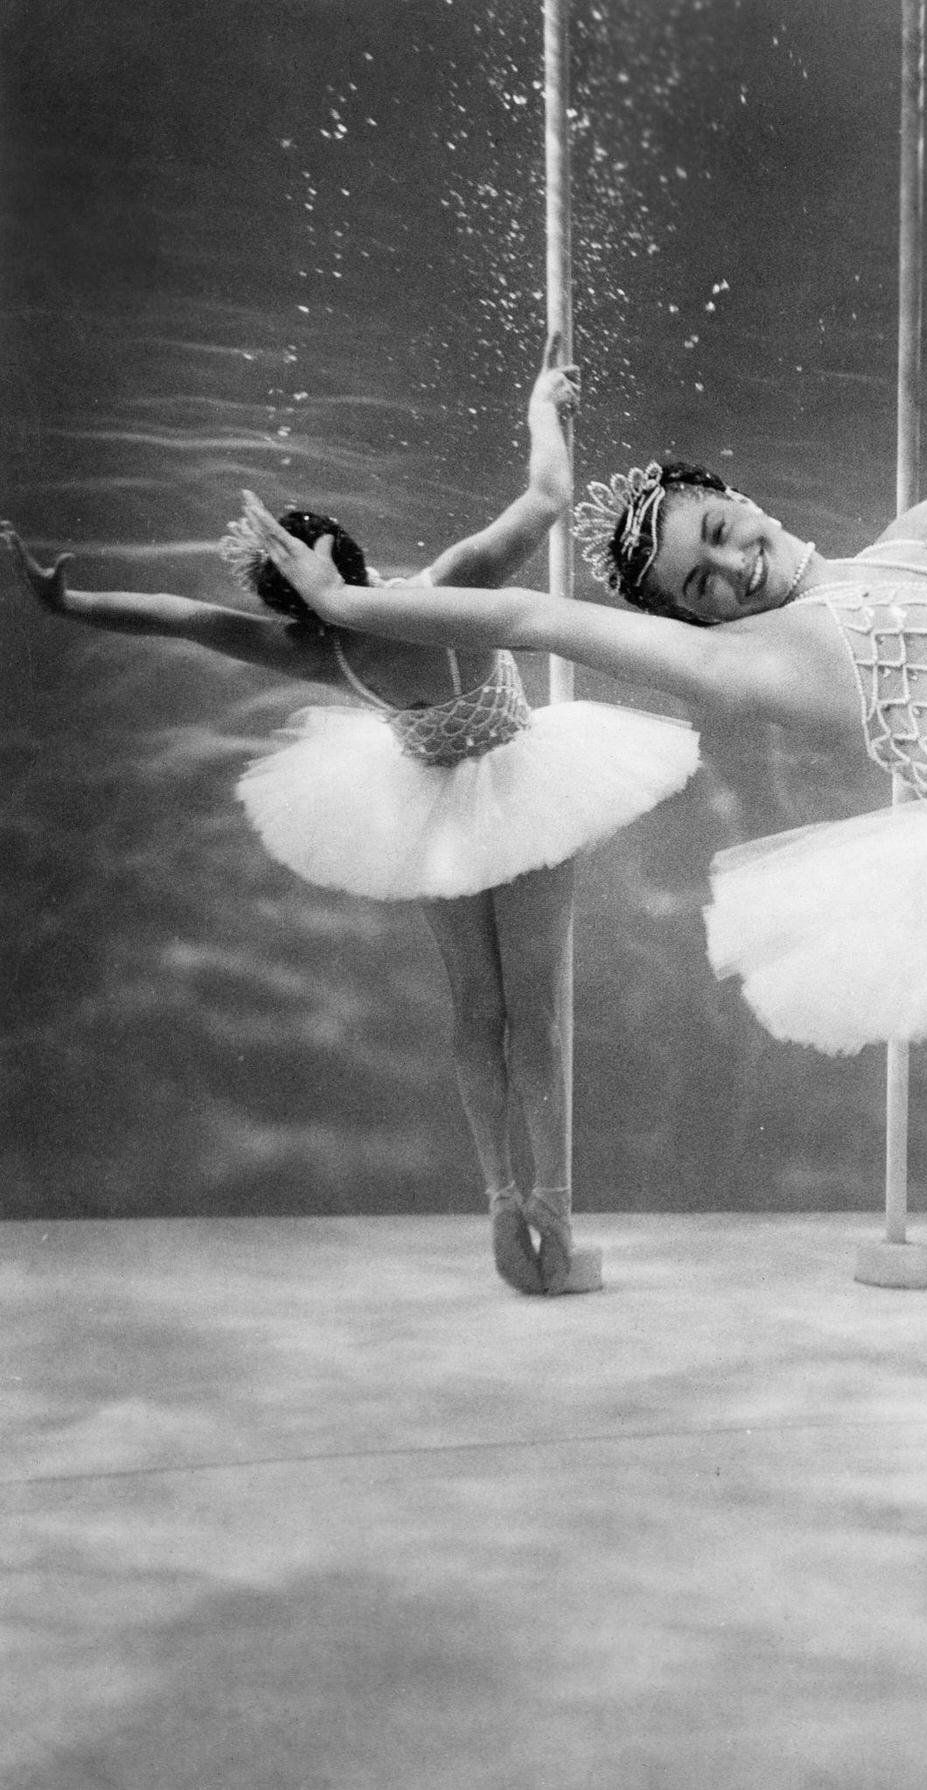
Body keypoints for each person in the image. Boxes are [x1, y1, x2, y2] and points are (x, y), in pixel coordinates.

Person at [234, 153, 927, 1691]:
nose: (727, 560)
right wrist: (351, 610)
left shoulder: (925, 537)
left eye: (715, 525)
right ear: (700, 620)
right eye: (699, 579)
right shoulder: (766, 655)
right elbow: (526, 614)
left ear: (738, 495)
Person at [2, 340, 700, 1298]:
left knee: (480, 1012)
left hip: (445, 807)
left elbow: (178, 616)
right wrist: (544, 403)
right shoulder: (446, 586)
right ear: (350, 558)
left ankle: (503, 1193)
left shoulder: (314, 653)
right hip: (518, 790)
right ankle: (547, 1205)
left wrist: (69, 603)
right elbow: (546, 498)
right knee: (528, 1016)